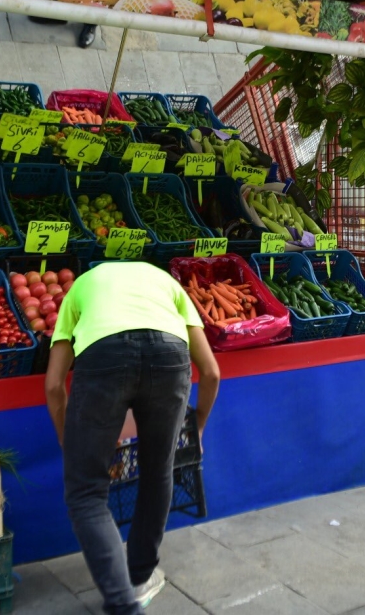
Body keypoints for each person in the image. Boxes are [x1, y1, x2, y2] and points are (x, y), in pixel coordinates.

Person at [44, 261, 221, 614]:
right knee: (158, 472)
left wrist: (67, 437)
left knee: (86, 492)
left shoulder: (81, 286)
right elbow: (211, 372)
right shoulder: (166, 283)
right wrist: (198, 427)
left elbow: (53, 385)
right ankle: (140, 577)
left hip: (104, 357)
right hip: (170, 357)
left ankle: (123, 604)